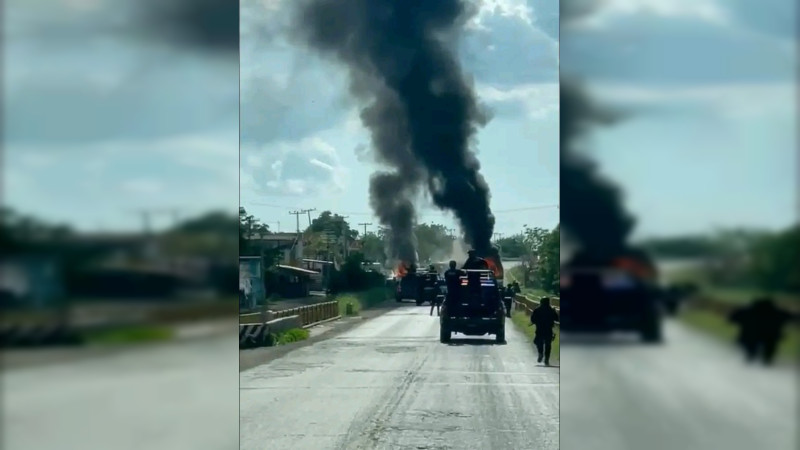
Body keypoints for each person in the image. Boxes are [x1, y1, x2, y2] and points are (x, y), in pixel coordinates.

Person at [729, 297, 793, 365]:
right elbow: (792, 318)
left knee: (751, 347)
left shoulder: (746, 311)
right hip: (770, 335)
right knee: (769, 347)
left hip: (750, 335)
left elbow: (732, 319)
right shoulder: (777, 312)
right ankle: (766, 360)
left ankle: (752, 357)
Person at [530, 297, 559, 365]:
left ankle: (540, 353)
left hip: (539, 329)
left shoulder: (537, 309)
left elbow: (533, 319)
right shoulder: (551, 310)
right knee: (548, 344)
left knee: (538, 342)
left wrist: (536, 322)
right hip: (548, 329)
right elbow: (557, 319)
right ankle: (547, 359)